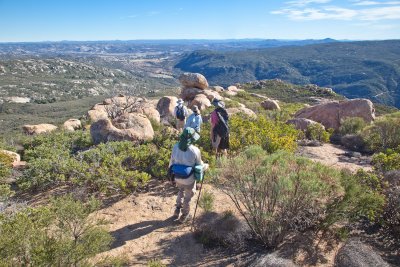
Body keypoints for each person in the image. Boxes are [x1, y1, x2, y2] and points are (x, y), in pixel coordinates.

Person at [169, 127, 208, 223]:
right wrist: (206, 166)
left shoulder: (175, 147)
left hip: (177, 176)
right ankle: (185, 215)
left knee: (180, 190)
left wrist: (171, 176)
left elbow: (171, 163)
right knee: (188, 196)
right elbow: (199, 165)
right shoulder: (195, 150)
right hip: (189, 179)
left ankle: (177, 209)